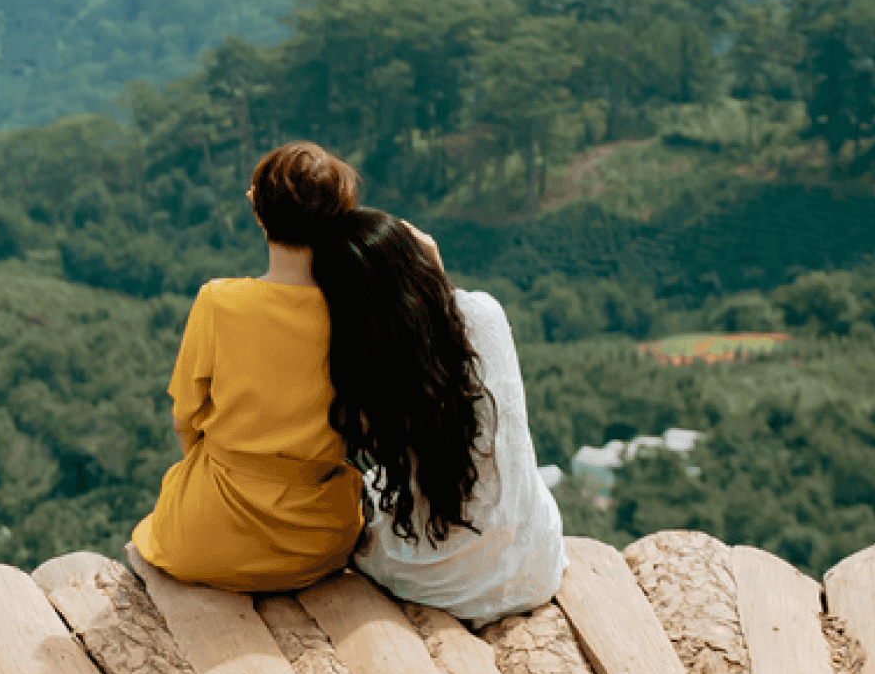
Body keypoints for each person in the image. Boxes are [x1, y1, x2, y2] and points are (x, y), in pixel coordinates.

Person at [129, 141, 368, 592]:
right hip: (318, 541)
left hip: (209, 535)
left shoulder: (219, 301)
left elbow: (185, 414)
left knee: (158, 521)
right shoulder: (354, 312)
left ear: (257, 211)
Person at [320, 210, 564, 625]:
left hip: (436, 581)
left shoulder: (358, 359)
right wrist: (433, 267)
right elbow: (447, 324)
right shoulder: (484, 314)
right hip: (531, 567)